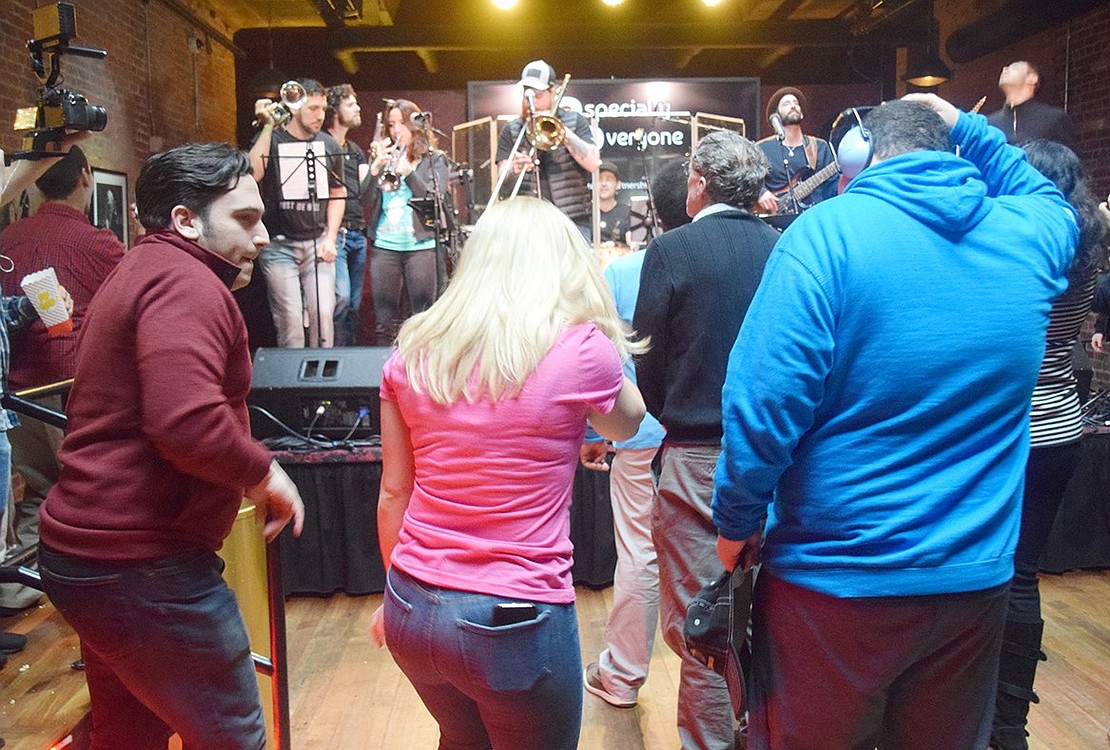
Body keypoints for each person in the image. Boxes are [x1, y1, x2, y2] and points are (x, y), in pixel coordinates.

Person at [711, 95, 1077, 749]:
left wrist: (736, 522)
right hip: (973, 585)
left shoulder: (823, 237)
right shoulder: (1028, 235)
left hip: (834, 585)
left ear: (858, 156)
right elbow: (1051, 198)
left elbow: (762, 408)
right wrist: (969, 124)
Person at [38, 142, 305, 750]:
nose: (261, 236)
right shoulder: (188, 283)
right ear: (186, 220)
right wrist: (266, 473)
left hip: (92, 558)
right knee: (231, 737)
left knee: (128, 734)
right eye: (243, 219)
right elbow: (184, 421)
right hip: (141, 565)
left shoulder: (142, 266)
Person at [370, 196, 645, 750]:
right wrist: (600, 333)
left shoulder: (413, 350)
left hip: (410, 603)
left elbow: (394, 491)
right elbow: (627, 424)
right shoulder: (580, 348)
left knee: (459, 740)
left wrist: (394, 598)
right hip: (513, 617)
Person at [632, 130, 779, 749]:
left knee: (704, 626)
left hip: (696, 456)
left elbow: (648, 363)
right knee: (771, 622)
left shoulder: (670, 251)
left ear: (698, 181)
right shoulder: (787, 247)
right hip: (780, 458)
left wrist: (677, 418)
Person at [989, 140, 1108, 750]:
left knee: (991, 576)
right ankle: (1010, 725)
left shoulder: (1023, 248)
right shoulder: (1085, 250)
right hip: (1062, 421)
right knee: (1023, 573)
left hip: (1012, 422)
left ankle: (985, 713)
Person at [0, 147, 124, 605]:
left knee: (37, 492)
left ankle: (16, 591)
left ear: (35, 185)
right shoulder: (100, 243)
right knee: (91, 492)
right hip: (72, 386)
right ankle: (95, 592)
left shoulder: (7, 237)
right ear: (87, 177)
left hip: (13, 391)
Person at [249, 78, 346, 348]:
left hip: (317, 242)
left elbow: (338, 194)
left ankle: (322, 384)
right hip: (280, 244)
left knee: (323, 316)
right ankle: (293, 388)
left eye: (323, 108)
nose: (320, 115)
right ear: (295, 107)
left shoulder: (328, 145)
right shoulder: (274, 139)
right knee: (289, 321)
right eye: (313, 108)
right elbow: (254, 172)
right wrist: (268, 125)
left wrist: (331, 238)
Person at [365, 98, 451, 346]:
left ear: (415, 126)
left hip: (421, 248)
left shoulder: (435, 161)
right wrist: (374, 170)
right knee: (384, 322)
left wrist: (410, 174)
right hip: (385, 246)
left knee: (424, 317)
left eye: (401, 124)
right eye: (391, 125)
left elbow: (436, 201)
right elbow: (364, 200)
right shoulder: (385, 159)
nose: (395, 131)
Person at [495, 60, 601, 237]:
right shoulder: (512, 129)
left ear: (553, 91)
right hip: (527, 221)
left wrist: (562, 131)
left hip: (572, 218)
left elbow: (593, 163)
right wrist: (514, 168)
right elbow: (501, 179)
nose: (532, 103)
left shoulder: (574, 121)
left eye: (537, 96)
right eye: (527, 96)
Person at [325, 83, 370, 346]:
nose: (357, 108)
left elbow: (363, 192)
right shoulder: (323, 145)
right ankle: (337, 356)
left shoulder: (355, 149)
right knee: (340, 298)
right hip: (336, 233)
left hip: (358, 232)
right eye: (351, 104)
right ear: (336, 110)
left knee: (353, 303)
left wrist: (374, 168)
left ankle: (349, 354)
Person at [755, 87, 837, 215]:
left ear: (802, 113)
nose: (793, 106)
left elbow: (833, 186)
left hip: (813, 217)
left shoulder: (819, 147)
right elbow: (746, 179)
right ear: (775, 116)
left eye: (796, 103)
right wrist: (761, 193)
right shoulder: (762, 148)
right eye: (786, 104)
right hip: (773, 221)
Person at [987, 61, 1079, 153]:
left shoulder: (1054, 118)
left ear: (1032, 78)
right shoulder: (988, 124)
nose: (1004, 69)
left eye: (1015, 68)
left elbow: (1071, 163)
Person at [596, 161, 631, 244]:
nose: (603, 184)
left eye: (609, 180)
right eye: (599, 179)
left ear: (618, 184)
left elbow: (634, 245)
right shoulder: (586, 213)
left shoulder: (628, 213)